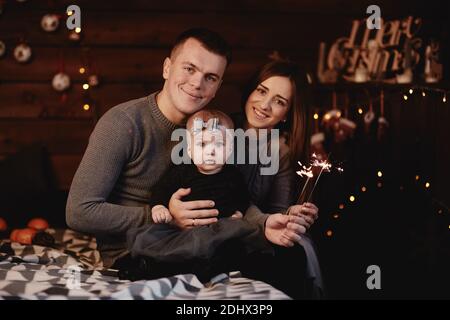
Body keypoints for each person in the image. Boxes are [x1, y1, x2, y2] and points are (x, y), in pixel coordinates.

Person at [65, 28, 311, 275]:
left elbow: (233, 195)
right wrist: (162, 216)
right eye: (189, 69)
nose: (197, 83)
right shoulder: (124, 123)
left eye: (210, 77)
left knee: (286, 262)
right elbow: (79, 211)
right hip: (137, 253)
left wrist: (266, 222)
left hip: (207, 250)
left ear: (217, 87)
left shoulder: (214, 131)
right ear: (167, 68)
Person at [122, 110, 268, 282]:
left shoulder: (233, 175)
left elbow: (243, 196)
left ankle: (210, 269)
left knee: (235, 246)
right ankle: (149, 266)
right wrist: (159, 206)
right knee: (160, 245)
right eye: (202, 144)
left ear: (229, 149)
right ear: (190, 150)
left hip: (220, 228)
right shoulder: (181, 172)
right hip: (186, 231)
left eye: (219, 145)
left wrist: (239, 212)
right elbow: (161, 190)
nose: (211, 151)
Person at [231, 59, 324, 299]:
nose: (264, 105)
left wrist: (292, 213)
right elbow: (225, 196)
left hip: (259, 231)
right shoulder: (220, 131)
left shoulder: (281, 150)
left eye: (279, 101)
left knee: (296, 247)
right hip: (222, 227)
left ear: (287, 114)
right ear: (251, 90)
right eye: (262, 91)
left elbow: (277, 209)